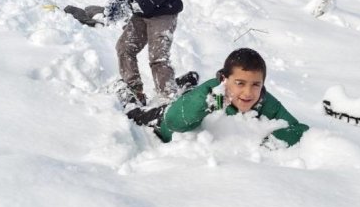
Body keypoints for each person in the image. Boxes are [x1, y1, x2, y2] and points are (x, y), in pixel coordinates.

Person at [127, 48, 309, 148]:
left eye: (256, 84)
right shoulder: (211, 95)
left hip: (186, 101)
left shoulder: (266, 102)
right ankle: (124, 93)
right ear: (224, 80)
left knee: (185, 94)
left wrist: (270, 144)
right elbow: (174, 121)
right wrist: (205, 103)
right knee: (135, 113)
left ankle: (188, 81)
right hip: (163, 121)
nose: (248, 93)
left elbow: (300, 129)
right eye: (240, 83)